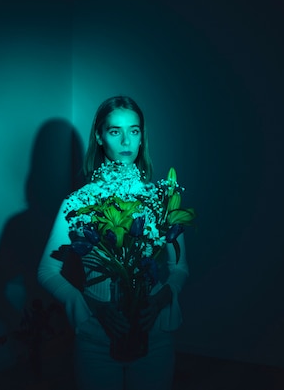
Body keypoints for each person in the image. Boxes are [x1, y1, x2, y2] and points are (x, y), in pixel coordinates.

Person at [37, 95, 189, 390]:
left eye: (133, 131)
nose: (125, 141)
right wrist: (92, 306)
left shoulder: (161, 199)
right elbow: (46, 271)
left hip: (153, 334)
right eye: (114, 131)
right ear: (99, 136)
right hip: (96, 339)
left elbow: (180, 267)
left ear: (142, 137)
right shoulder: (78, 202)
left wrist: (159, 301)